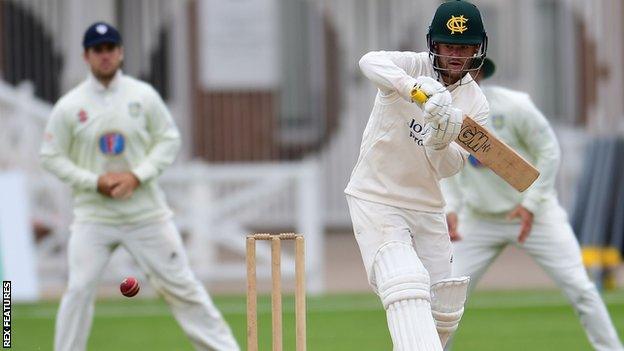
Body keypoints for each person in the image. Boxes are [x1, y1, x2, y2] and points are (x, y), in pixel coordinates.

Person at [40, 22, 240, 351]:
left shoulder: (143, 96)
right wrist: (94, 182)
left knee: (182, 286)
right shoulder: (69, 105)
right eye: (97, 50)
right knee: (78, 290)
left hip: (146, 213)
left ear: (120, 53)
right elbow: (51, 156)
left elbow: (168, 141)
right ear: (86, 56)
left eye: (110, 49)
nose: (104, 56)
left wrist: (137, 176)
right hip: (94, 216)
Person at [443, 58, 624, 350]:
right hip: (479, 218)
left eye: (470, 71)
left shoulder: (513, 106)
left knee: (581, 289)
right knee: (445, 297)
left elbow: (549, 151)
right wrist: (450, 208)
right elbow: (445, 166)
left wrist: (531, 203)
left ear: (479, 73)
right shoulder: (446, 115)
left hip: (535, 215)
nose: (463, 78)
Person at [344, 1, 489, 349]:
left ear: (477, 49)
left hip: (427, 205)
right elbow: (368, 61)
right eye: (449, 45)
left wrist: (439, 140)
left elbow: (451, 168)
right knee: (404, 282)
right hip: (376, 195)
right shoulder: (411, 65)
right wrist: (415, 90)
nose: (456, 54)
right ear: (434, 44)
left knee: (446, 310)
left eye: (465, 47)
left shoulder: (476, 103)